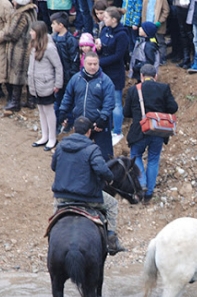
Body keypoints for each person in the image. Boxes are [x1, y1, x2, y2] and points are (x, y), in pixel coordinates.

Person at [51, 116, 125, 255]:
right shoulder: (92, 149)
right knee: (112, 205)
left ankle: (51, 236)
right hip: (87, 196)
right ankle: (111, 239)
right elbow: (101, 169)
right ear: (89, 132)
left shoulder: (60, 146)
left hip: (62, 197)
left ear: (73, 129)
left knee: (55, 213)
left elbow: (54, 166)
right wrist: (110, 178)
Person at [123, 64, 178, 204]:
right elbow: (173, 107)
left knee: (136, 156)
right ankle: (149, 193)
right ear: (155, 76)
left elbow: (126, 113)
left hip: (139, 130)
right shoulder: (163, 88)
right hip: (158, 131)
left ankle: (141, 185)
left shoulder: (133, 90)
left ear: (141, 76)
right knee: (153, 159)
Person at [58, 51, 116, 161]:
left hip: (98, 125)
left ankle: (105, 177)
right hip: (81, 125)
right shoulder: (76, 79)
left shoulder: (106, 81)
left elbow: (109, 102)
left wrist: (102, 118)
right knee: (79, 155)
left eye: (95, 64)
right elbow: (68, 97)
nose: (93, 67)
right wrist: (62, 112)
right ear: (84, 64)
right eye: (90, 64)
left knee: (104, 156)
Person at [96, 6, 129, 146]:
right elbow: (103, 46)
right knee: (104, 101)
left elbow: (118, 55)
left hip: (115, 72)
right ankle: (106, 127)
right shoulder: (105, 29)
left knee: (116, 103)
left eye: (107, 17)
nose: (103, 18)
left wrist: (99, 62)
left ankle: (117, 131)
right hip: (103, 71)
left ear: (114, 20)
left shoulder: (122, 34)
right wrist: (98, 47)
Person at [28, 20, 63, 151]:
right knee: (41, 110)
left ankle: (52, 138)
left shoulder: (49, 48)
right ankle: (45, 136)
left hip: (46, 84)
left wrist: (58, 84)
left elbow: (58, 67)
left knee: (49, 111)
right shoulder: (33, 45)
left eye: (32, 31)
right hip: (36, 85)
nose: (30, 33)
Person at [3, 0, 38, 112]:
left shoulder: (21, 15)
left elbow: (13, 34)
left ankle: (15, 103)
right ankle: (30, 100)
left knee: (17, 75)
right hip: (29, 47)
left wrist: (4, 33)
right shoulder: (32, 11)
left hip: (20, 49)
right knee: (28, 75)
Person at [50, 11, 79, 133]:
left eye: (53, 23)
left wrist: (72, 76)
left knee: (70, 101)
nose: (51, 26)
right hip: (57, 77)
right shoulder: (53, 38)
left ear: (61, 25)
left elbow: (74, 60)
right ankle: (55, 124)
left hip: (68, 77)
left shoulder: (70, 40)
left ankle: (69, 123)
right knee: (57, 102)